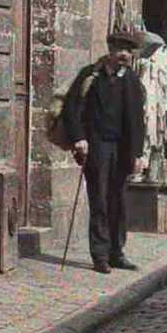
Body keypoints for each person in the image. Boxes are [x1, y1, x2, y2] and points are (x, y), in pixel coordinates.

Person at [62, 26, 148, 274]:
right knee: (99, 198)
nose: (124, 54)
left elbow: (136, 120)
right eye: (120, 49)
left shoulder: (131, 80)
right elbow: (71, 108)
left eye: (128, 51)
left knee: (118, 201)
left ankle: (116, 253)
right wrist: (79, 138)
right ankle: (99, 255)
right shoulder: (91, 76)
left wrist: (138, 154)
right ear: (110, 50)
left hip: (122, 149)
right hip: (97, 146)